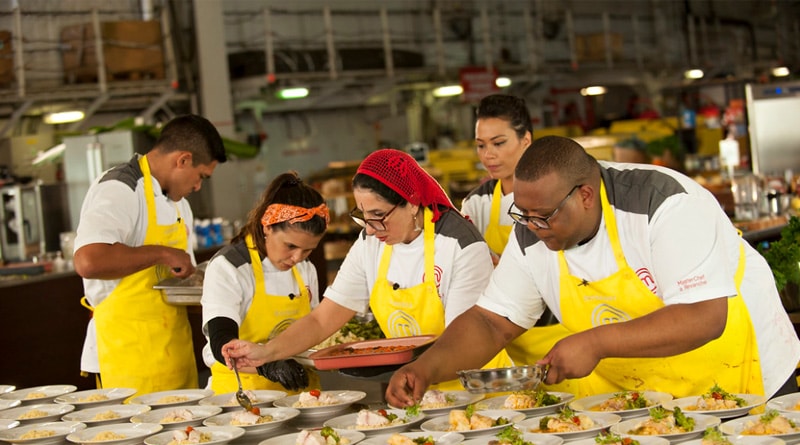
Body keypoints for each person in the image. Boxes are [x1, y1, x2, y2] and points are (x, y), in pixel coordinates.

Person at [386, 135, 800, 405]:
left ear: (585, 196)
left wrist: (595, 343)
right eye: (523, 214)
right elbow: (492, 323)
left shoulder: (664, 205)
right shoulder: (532, 232)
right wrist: (425, 368)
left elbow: (704, 316)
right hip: (649, 395)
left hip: (745, 374)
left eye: (543, 215)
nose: (532, 226)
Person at [223, 148, 508, 390]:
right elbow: (323, 319)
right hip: (416, 386)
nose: (370, 230)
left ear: (411, 203)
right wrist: (266, 352)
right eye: (363, 216)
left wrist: (393, 363)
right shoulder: (371, 243)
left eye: (378, 216)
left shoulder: (460, 245)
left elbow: (461, 341)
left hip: (474, 386)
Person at [73, 114, 227, 394]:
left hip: (174, 353)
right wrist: (163, 253)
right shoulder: (120, 187)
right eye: (200, 176)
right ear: (182, 160)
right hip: (125, 359)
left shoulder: (179, 205)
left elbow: (181, 284)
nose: (198, 186)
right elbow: (88, 260)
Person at [201, 171, 329, 394]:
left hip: (303, 394)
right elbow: (221, 341)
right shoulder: (230, 267)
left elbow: (315, 328)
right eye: (290, 246)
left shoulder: (305, 269)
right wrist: (267, 365)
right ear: (267, 227)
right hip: (243, 395)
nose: (297, 258)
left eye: (308, 250)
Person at [461, 94, 531, 261]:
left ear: (525, 141)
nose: (488, 154)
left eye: (498, 143)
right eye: (480, 145)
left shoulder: (552, 195)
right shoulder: (476, 203)